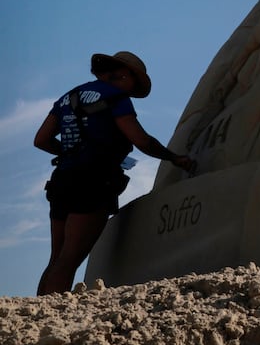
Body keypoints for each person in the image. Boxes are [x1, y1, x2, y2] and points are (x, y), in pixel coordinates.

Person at [32, 51, 195, 296]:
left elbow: (41, 139)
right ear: (124, 74)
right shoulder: (116, 97)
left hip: (62, 180)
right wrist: (174, 158)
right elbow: (141, 140)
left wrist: (68, 152)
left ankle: (37, 310)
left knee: (57, 256)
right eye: (134, 84)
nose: (132, 92)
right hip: (94, 181)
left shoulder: (69, 97)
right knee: (70, 257)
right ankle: (50, 313)